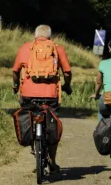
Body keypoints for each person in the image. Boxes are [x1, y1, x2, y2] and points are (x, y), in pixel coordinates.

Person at [12, 24, 72, 172]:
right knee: (52, 125)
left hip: (27, 95)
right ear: (50, 37)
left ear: (35, 36)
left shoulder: (25, 48)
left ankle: (34, 146)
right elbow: (67, 72)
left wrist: (15, 85)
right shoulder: (57, 49)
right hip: (50, 96)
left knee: (30, 118)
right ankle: (52, 160)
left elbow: (15, 71)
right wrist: (67, 85)